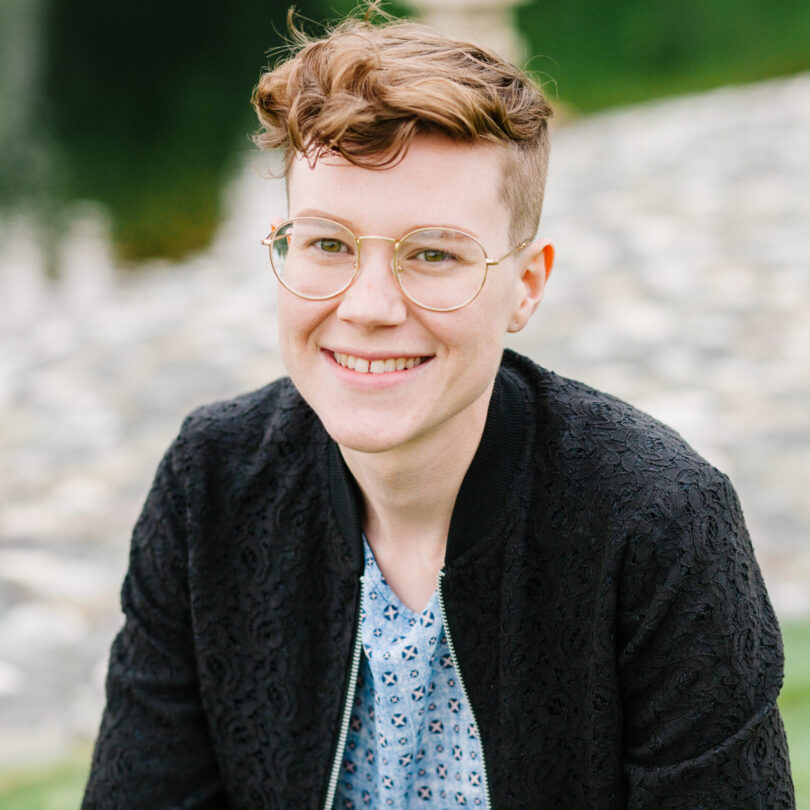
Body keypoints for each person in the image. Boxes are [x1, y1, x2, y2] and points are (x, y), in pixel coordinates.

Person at [82, 8, 794, 810]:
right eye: (327, 243)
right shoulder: (208, 485)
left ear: (526, 285)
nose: (370, 305)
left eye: (433, 254)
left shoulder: (658, 526)